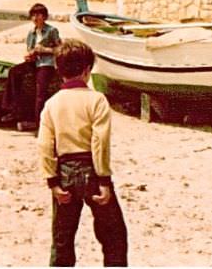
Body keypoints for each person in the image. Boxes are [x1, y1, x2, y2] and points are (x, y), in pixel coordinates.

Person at [37, 39, 128, 267]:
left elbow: (45, 145)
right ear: (87, 70)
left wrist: (52, 182)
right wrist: (104, 180)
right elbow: (100, 142)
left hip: (64, 173)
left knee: (62, 239)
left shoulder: (52, 104)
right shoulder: (96, 100)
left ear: (59, 69)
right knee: (114, 237)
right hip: (92, 171)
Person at [2, 3, 62, 128]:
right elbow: (29, 49)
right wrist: (29, 55)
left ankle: (40, 124)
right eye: (33, 15)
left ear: (44, 17)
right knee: (14, 72)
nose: (35, 18)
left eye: (38, 15)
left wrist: (44, 50)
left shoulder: (51, 31)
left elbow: (59, 50)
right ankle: (12, 108)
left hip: (46, 64)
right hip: (34, 63)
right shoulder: (31, 33)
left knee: (40, 92)